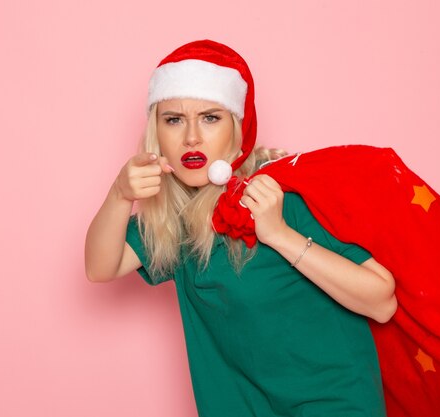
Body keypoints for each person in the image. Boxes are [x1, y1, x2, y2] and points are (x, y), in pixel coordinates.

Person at [85, 39, 397, 417]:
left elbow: (382, 301)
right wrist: (119, 194)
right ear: (157, 133)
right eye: (174, 119)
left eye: (211, 117)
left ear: (238, 130)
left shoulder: (281, 194)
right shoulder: (172, 223)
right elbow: (100, 268)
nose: (191, 137)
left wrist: (279, 234)